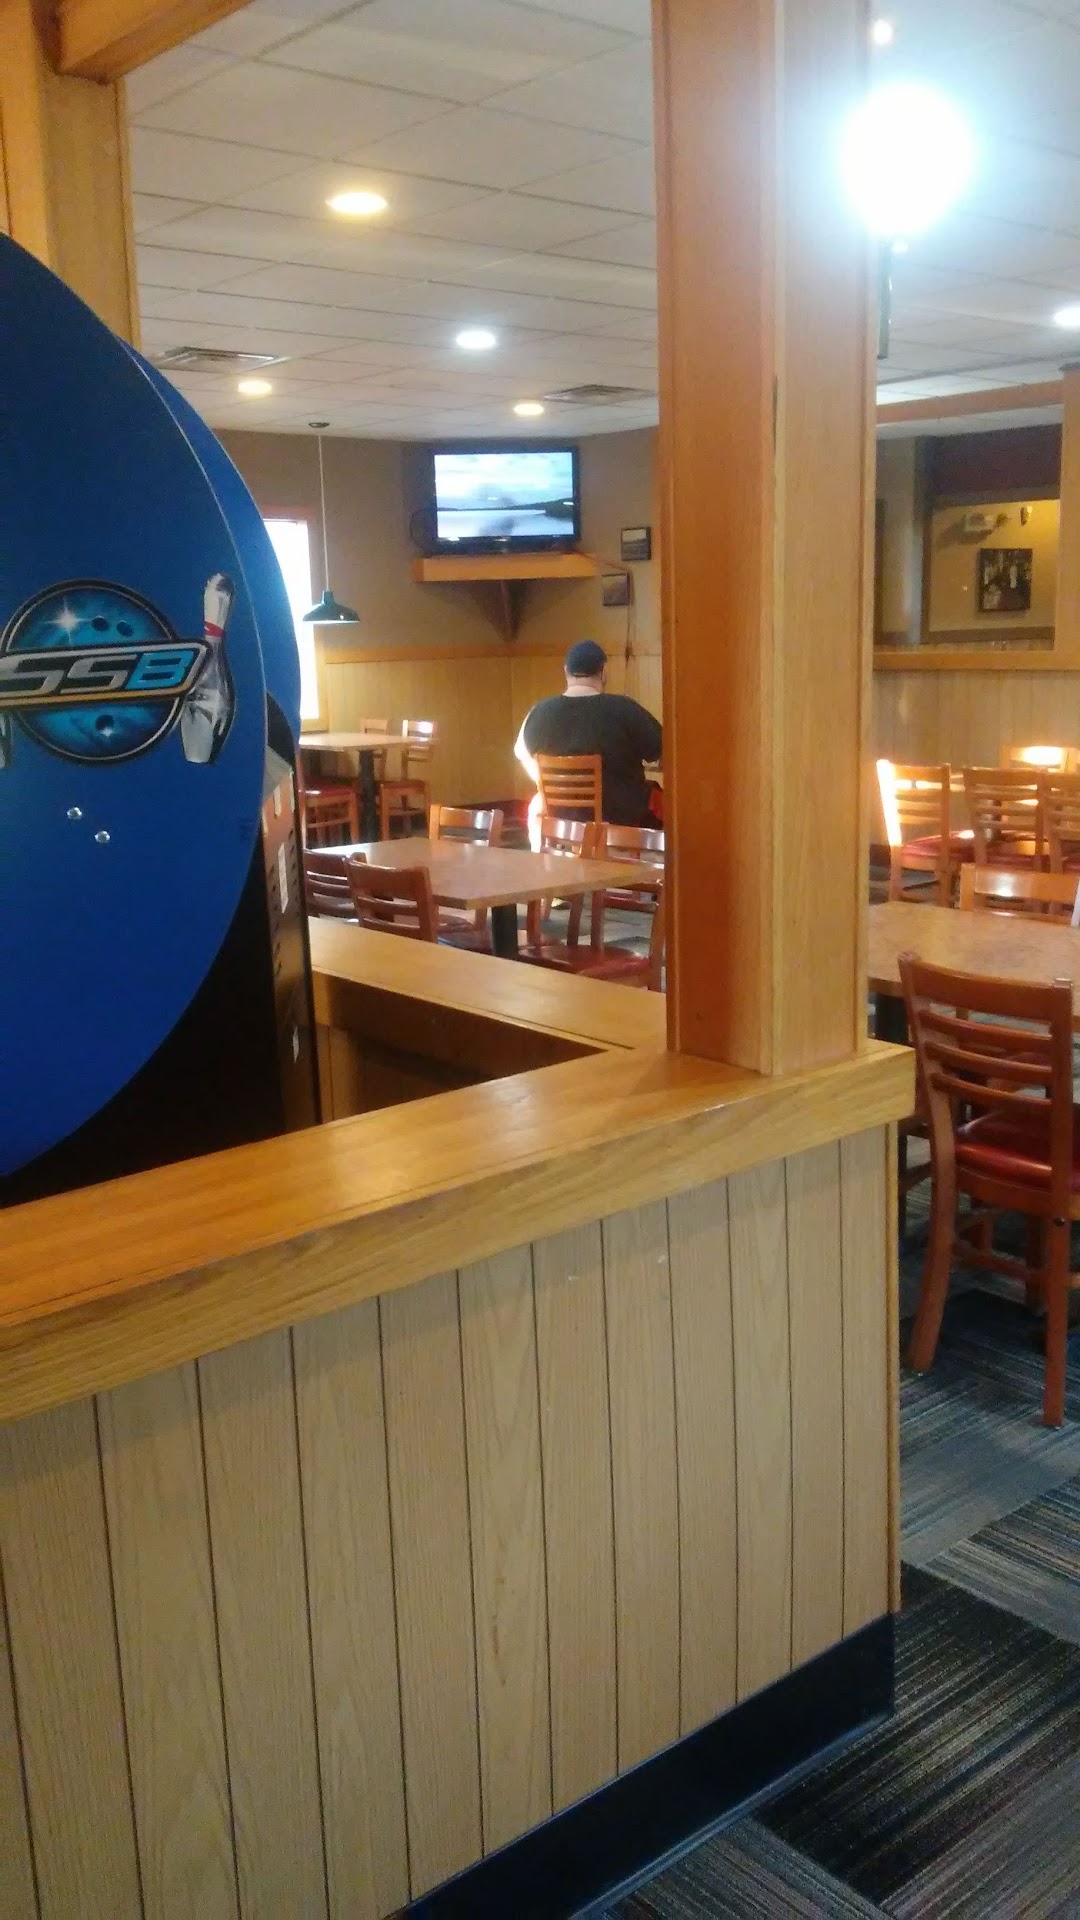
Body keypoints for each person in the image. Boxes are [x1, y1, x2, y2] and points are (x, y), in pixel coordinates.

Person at [514, 639, 662, 828]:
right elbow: (664, 750)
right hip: (620, 824)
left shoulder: (538, 712)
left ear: (566, 671)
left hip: (561, 823)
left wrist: (551, 786)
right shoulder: (624, 709)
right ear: (603, 672)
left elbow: (521, 754)